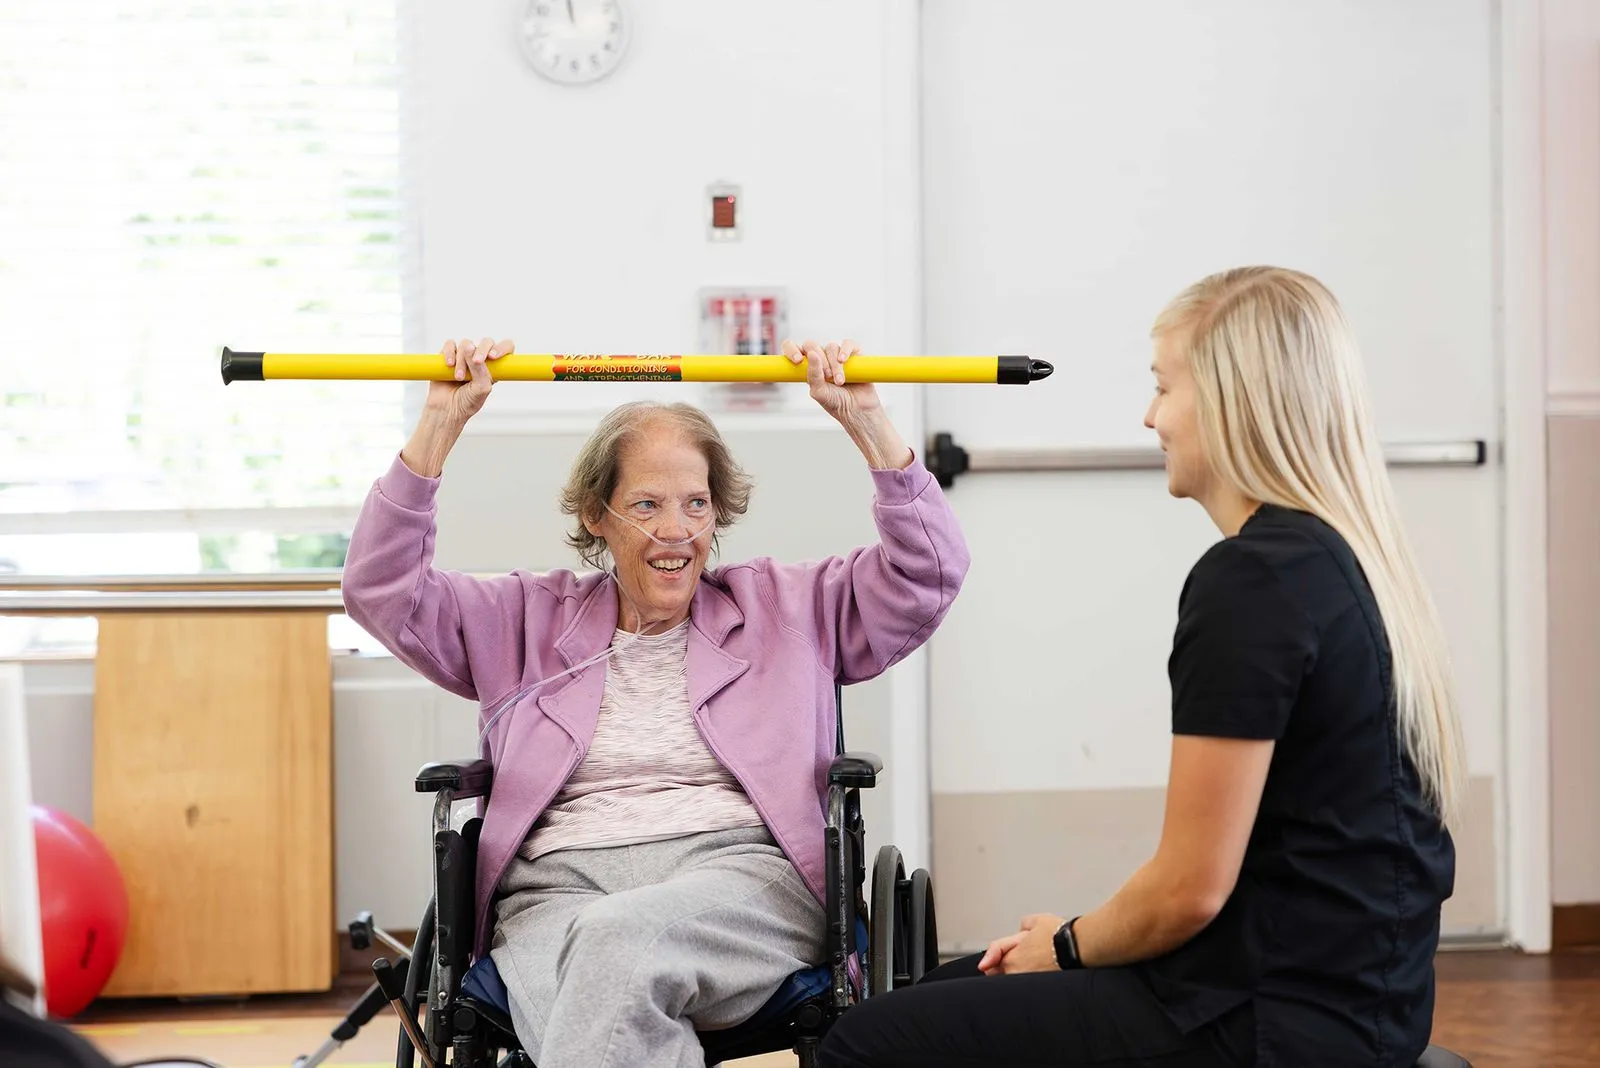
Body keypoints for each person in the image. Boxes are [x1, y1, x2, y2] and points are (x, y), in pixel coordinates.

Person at [817, 267, 1462, 1068]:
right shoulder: (1344, 562)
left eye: (1164, 387)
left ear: (1234, 400)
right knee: (933, 994)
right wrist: (1070, 941)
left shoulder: (1255, 580)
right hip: (1348, 1003)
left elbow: (1189, 890)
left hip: (1269, 1022)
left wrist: (1069, 944)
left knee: (866, 1046)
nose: (1150, 416)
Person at [340, 335, 970, 1068]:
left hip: (741, 884)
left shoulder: (787, 607)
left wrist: (870, 425)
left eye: (696, 504)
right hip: (554, 892)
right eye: (647, 504)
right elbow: (380, 592)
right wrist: (437, 429)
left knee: (609, 954)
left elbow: (927, 573)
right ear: (597, 516)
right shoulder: (525, 618)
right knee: (605, 991)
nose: (676, 530)